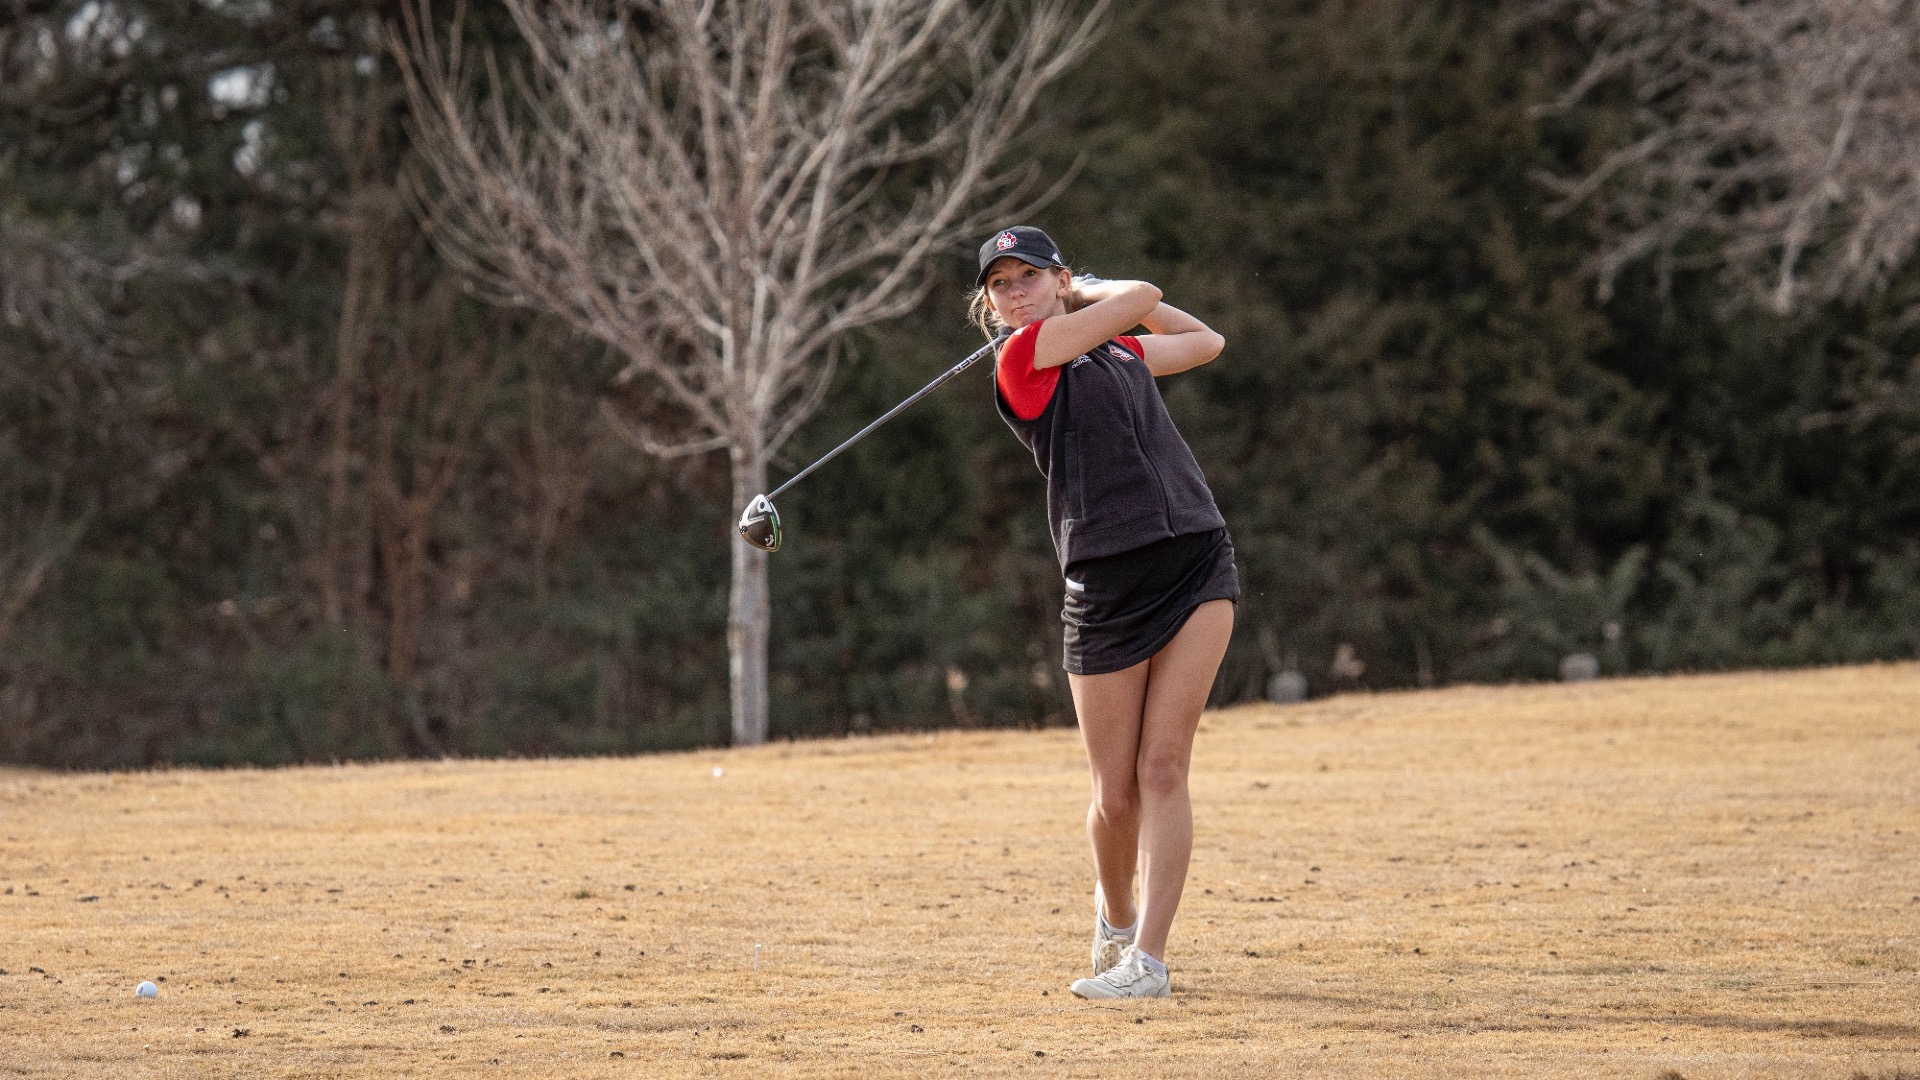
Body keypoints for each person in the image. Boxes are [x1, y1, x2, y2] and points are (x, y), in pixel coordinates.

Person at [973, 225, 1238, 999]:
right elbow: (1145, 296)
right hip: (1106, 583)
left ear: (1057, 280)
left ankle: (1147, 963)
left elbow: (1202, 339)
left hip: (1195, 555)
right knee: (1113, 792)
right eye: (1000, 285)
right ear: (989, 305)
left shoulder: (1116, 351)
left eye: (1029, 277)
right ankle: (1115, 916)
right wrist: (1084, 295)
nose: (1014, 293)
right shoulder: (1021, 360)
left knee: (1164, 766)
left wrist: (1086, 295)